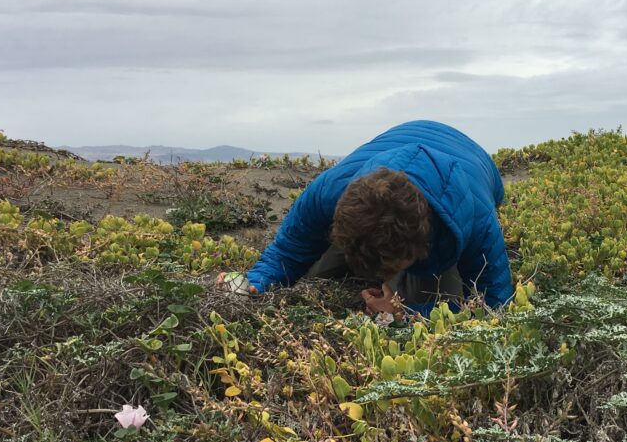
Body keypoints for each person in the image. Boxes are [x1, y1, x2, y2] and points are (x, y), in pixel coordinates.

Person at [217, 120, 513, 315]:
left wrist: (405, 313)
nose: (379, 276)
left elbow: (493, 305)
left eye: (392, 266)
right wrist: (255, 281)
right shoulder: (330, 189)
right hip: (397, 142)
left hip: (474, 164)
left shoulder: (475, 218)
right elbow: (288, 250)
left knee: (431, 293)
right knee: (314, 274)